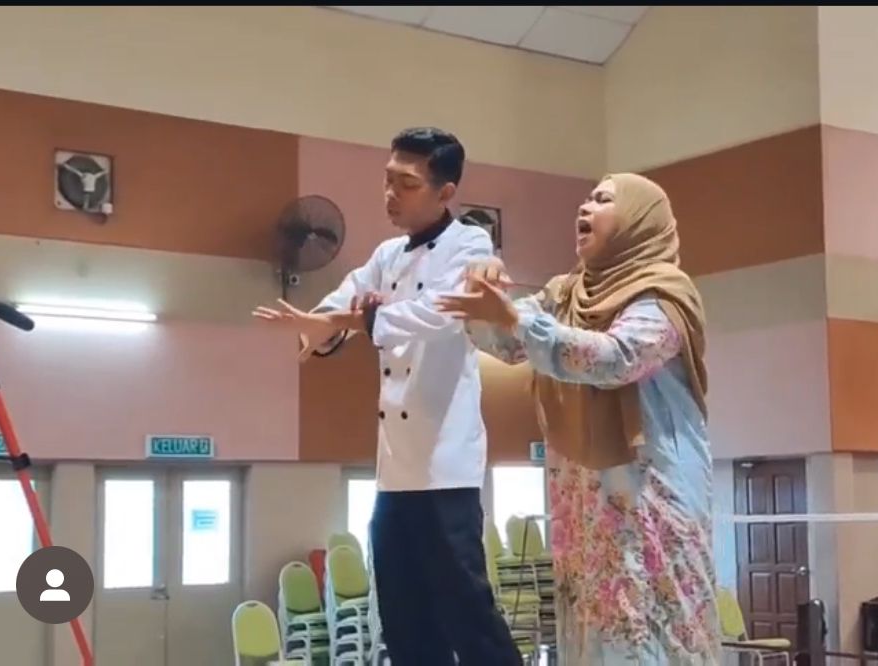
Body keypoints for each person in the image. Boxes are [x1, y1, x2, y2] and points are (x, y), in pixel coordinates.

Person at [253, 127, 521, 665]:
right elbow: (340, 302)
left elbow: (440, 313)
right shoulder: (386, 254)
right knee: (402, 616)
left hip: (446, 466)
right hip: (394, 471)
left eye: (407, 184)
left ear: (446, 192)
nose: (391, 194)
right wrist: (317, 326)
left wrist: (356, 320)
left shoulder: (470, 244)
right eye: (387, 180)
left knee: (467, 610)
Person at [436, 173, 722, 665]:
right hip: (584, 495)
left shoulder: (663, 295)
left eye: (603, 199)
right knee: (592, 626)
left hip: (650, 491)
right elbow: (504, 342)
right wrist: (481, 287)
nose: (585, 207)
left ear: (638, 220)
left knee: (654, 625)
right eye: (586, 198)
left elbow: (616, 358)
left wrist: (516, 319)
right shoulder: (565, 293)